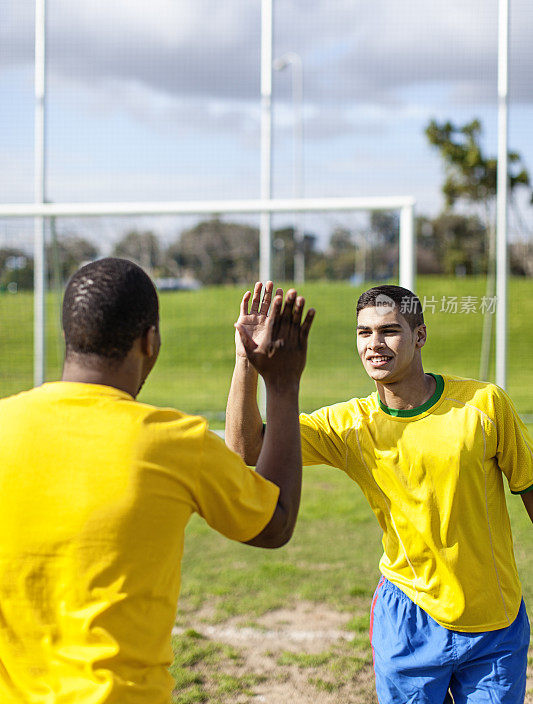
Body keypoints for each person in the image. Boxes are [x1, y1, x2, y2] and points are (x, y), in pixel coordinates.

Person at [0, 258, 314, 704]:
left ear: (69, 338)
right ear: (150, 341)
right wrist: (282, 386)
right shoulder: (175, 441)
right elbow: (275, 522)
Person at [226, 281, 533, 704]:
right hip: (407, 619)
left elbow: (530, 487)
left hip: (493, 621)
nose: (375, 344)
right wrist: (246, 361)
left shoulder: (484, 405)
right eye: (364, 332)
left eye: (389, 330)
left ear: (419, 336)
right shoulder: (349, 426)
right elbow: (246, 448)